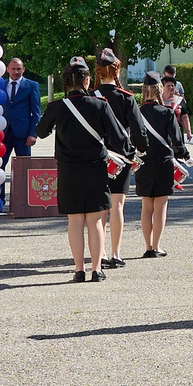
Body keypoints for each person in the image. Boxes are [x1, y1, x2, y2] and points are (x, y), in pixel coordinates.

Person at [36, 57, 127, 282]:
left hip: (68, 171)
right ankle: (96, 269)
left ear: (66, 82)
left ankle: (79, 270)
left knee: (75, 221)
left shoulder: (57, 106)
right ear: (87, 80)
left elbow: (41, 131)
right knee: (95, 220)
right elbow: (118, 138)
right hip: (95, 170)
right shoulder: (100, 105)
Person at [90, 48, 149, 271]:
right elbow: (138, 130)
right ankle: (116, 253)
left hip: (97, 155)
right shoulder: (126, 98)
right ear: (117, 70)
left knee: (99, 207)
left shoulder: (91, 97)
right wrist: (141, 149)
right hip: (121, 155)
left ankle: (101, 253)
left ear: (98, 71)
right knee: (117, 206)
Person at [133, 76, 189, 257]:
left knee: (146, 207)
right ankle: (156, 246)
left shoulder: (137, 112)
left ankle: (147, 246)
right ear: (159, 90)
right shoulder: (167, 112)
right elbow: (176, 140)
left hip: (143, 161)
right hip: (163, 161)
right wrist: (184, 155)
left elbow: (133, 138)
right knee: (160, 207)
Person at [0, 55, 41, 160]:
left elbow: (36, 112)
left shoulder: (32, 86)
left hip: (23, 135)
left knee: (24, 165)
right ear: (7, 69)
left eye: (18, 69)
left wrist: (33, 134)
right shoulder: (0, 85)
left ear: (23, 69)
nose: (16, 72)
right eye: (13, 69)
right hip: (3, 133)